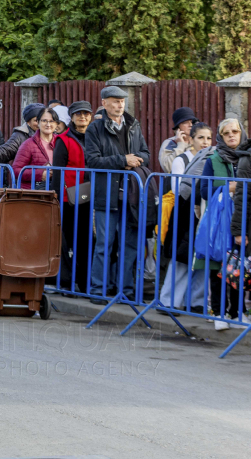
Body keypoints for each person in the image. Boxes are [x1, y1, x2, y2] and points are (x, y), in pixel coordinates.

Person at [84, 85, 150, 303]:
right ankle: (98, 290)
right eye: (114, 101)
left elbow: (146, 154)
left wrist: (134, 159)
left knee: (129, 245)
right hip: (107, 195)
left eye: (122, 101)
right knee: (105, 244)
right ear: (104, 103)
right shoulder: (95, 128)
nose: (119, 104)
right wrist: (124, 160)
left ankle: (126, 291)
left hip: (131, 196)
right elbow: (92, 161)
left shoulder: (133, 125)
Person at [159, 122, 211, 316]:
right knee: (181, 256)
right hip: (185, 210)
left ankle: (196, 301)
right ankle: (168, 301)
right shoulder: (182, 159)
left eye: (208, 138)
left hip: (205, 211)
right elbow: (178, 187)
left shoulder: (212, 159)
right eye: (200, 138)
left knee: (202, 257)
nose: (205, 142)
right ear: (191, 139)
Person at [201, 118, 245, 329]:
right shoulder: (214, 159)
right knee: (218, 265)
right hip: (220, 223)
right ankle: (218, 313)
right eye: (226, 133)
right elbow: (203, 191)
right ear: (221, 136)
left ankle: (237, 313)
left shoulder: (248, 158)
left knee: (239, 265)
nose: (231, 136)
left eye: (235, 131)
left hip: (244, 219)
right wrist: (229, 187)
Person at [50, 101, 94, 294]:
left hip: (91, 196)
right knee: (67, 240)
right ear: (72, 117)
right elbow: (58, 171)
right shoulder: (63, 140)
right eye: (78, 114)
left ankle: (84, 284)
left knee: (86, 241)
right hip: (70, 198)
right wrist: (56, 197)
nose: (82, 117)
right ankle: (65, 281)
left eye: (85, 114)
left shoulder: (95, 138)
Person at [0, 102, 43, 166]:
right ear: (28, 122)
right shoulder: (20, 135)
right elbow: (6, 151)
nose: (41, 123)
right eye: (36, 120)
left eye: (43, 120)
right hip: (30, 175)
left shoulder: (52, 134)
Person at [12, 106, 58, 188]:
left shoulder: (60, 142)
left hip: (56, 193)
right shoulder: (28, 144)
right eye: (44, 121)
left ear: (56, 124)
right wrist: (39, 175)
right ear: (38, 123)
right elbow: (16, 171)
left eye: (51, 121)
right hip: (33, 192)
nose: (48, 124)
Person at [159, 107, 198, 174]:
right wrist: (181, 145)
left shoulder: (197, 141)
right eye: (186, 122)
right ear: (178, 126)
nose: (190, 125)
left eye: (192, 122)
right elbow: (168, 167)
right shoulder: (169, 143)